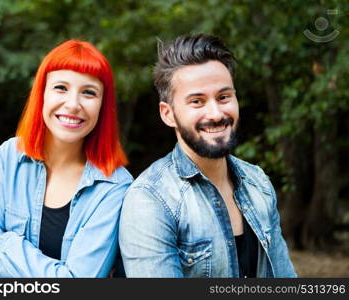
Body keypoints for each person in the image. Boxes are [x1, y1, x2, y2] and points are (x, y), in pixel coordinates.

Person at [119, 33, 296, 278]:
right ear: (168, 114)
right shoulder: (150, 200)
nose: (215, 113)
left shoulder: (259, 184)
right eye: (197, 101)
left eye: (224, 97)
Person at [0, 40, 133, 277]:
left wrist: (8, 243)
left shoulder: (115, 187)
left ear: (103, 106)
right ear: (42, 94)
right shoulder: (10, 157)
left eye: (89, 93)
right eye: (61, 88)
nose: (73, 104)